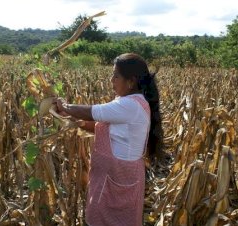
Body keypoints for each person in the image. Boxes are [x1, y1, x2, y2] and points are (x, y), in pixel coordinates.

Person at [55, 53, 163, 226]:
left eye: (116, 76)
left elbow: (94, 112)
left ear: (131, 81)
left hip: (119, 177)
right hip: (112, 177)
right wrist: (77, 122)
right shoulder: (127, 102)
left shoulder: (131, 105)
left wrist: (65, 107)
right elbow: (102, 125)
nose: (111, 79)